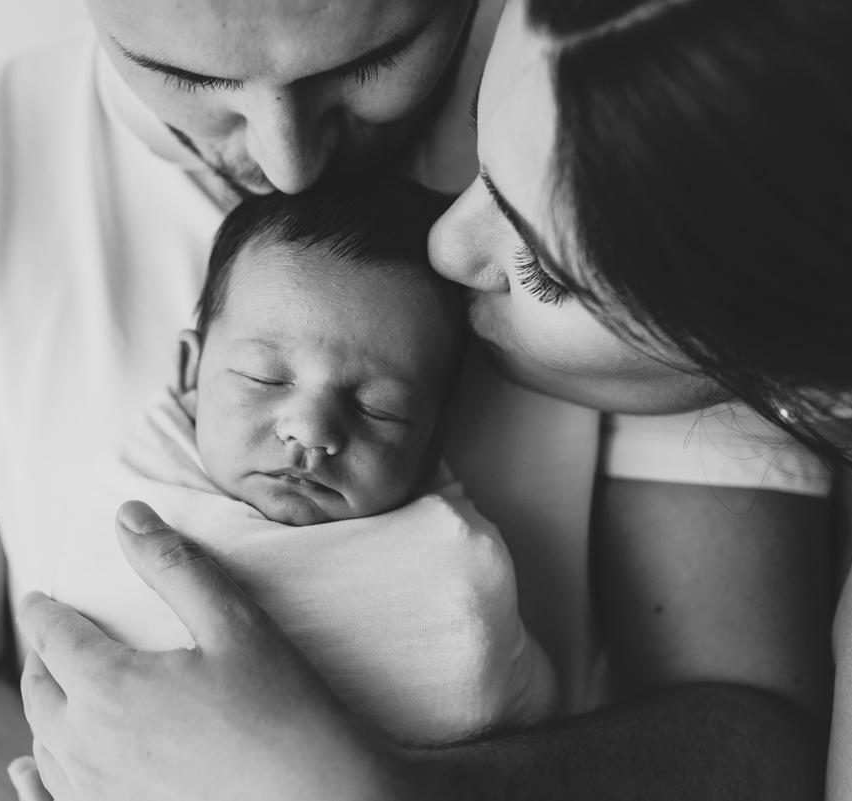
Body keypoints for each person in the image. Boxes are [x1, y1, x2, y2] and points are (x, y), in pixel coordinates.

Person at [0, 0, 831, 799]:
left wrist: (391, 793)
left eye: (368, 60)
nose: (287, 159)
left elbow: (762, 741)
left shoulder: (621, 128)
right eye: (188, 75)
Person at [100, 178, 557, 744]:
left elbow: (526, 720)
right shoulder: (139, 479)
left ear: (434, 441)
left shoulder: (451, 563)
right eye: (264, 377)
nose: (311, 430)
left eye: (380, 408)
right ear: (190, 372)